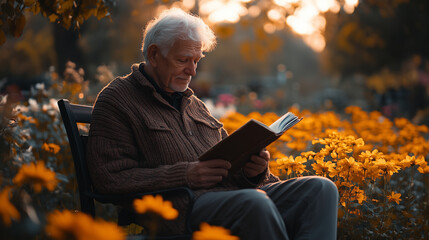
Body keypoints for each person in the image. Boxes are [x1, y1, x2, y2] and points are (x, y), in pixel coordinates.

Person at [86, 8, 338, 240]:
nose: (192, 71)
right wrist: (184, 174)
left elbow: (228, 166)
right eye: (183, 60)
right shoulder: (118, 99)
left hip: (233, 197)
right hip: (181, 208)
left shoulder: (195, 104)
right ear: (154, 54)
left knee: (320, 190)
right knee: (255, 203)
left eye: (196, 60)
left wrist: (254, 171)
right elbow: (109, 179)